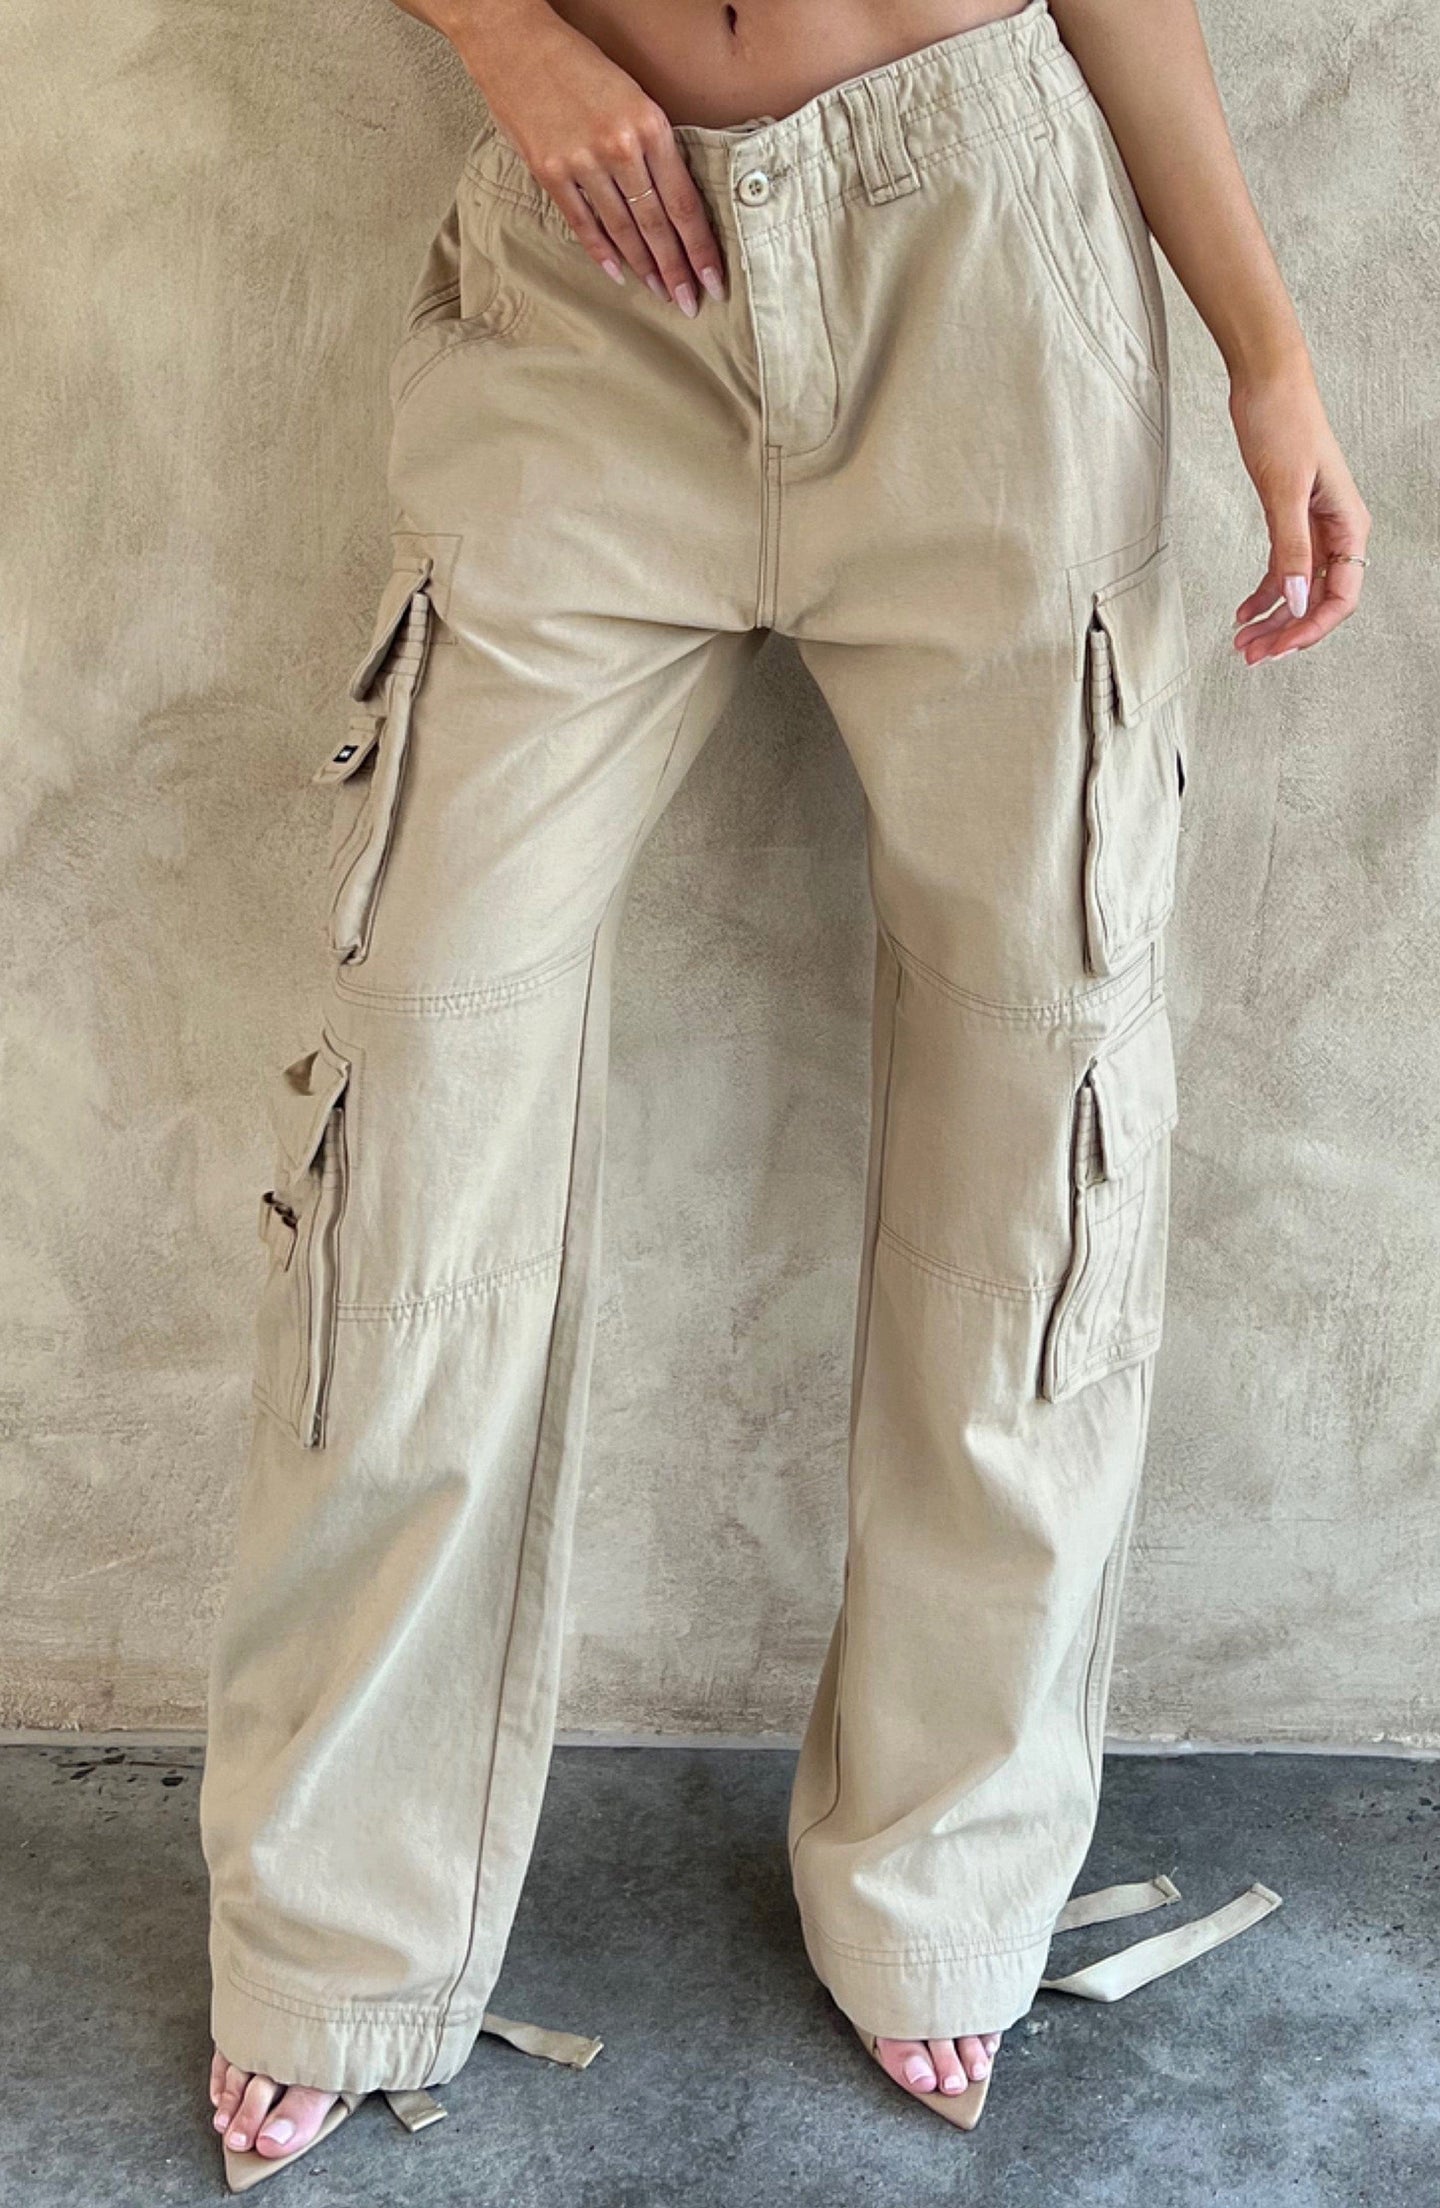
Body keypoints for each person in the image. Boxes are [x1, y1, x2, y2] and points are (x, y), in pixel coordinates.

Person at [199, 0, 1370, 2179]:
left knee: (1041, 1128)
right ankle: (337, 1932)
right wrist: (505, 38)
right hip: (584, 280)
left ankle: (947, 1884)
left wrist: (1269, 350)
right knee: (409, 1113)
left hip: (985, 269)